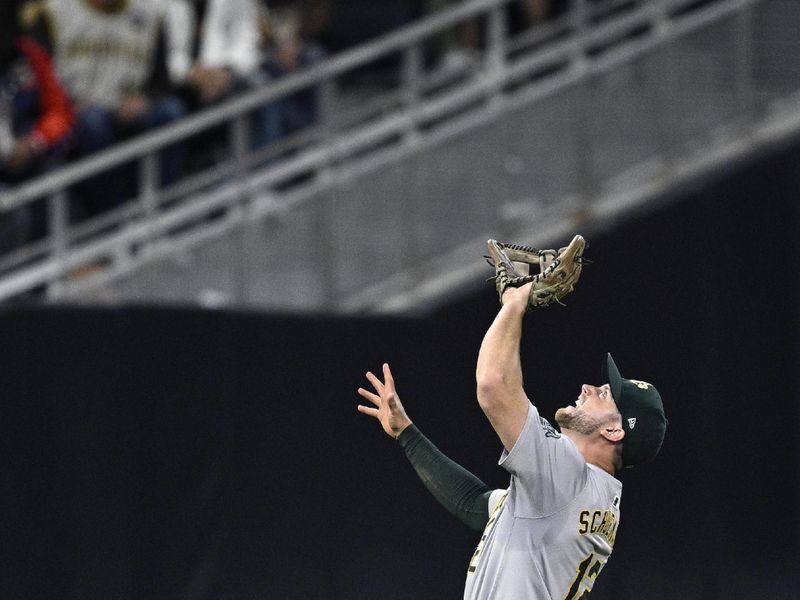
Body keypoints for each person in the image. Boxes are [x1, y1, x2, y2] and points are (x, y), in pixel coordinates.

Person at [357, 279, 667, 598]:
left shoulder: (567, 475)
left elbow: (493, 385)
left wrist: (515, 304)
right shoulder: (586, 493)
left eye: (604, 394)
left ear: (613, 431)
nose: (588, 388)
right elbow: (476, 505)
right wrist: (406, 433)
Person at [1, 0, 74, 254]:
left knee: (52, 178)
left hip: (23, 153)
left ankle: (45, 280)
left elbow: (59, 110)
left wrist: (35, 141)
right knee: (12, 212)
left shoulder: (29, 55)